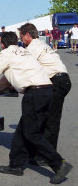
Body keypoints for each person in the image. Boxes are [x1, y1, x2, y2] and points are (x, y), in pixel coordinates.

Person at [0, 31, 72, 184]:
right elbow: (6, 78)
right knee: (22, 130)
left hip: (35, 93)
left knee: (32, 133)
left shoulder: (6, 54)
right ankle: (16, 165)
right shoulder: (23, 52)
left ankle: (59, 164)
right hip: (47, 91)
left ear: (2, 44)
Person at [19, 24, 71, 161]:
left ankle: (47, 157)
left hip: (56, 81)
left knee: (50, 120)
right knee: (45, 117)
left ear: (27, 35)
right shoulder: (42, 44)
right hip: (61, 80)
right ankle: (41, 151)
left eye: (21, 36)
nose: (21, 39)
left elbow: (23, 67)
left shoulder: (32, 48)